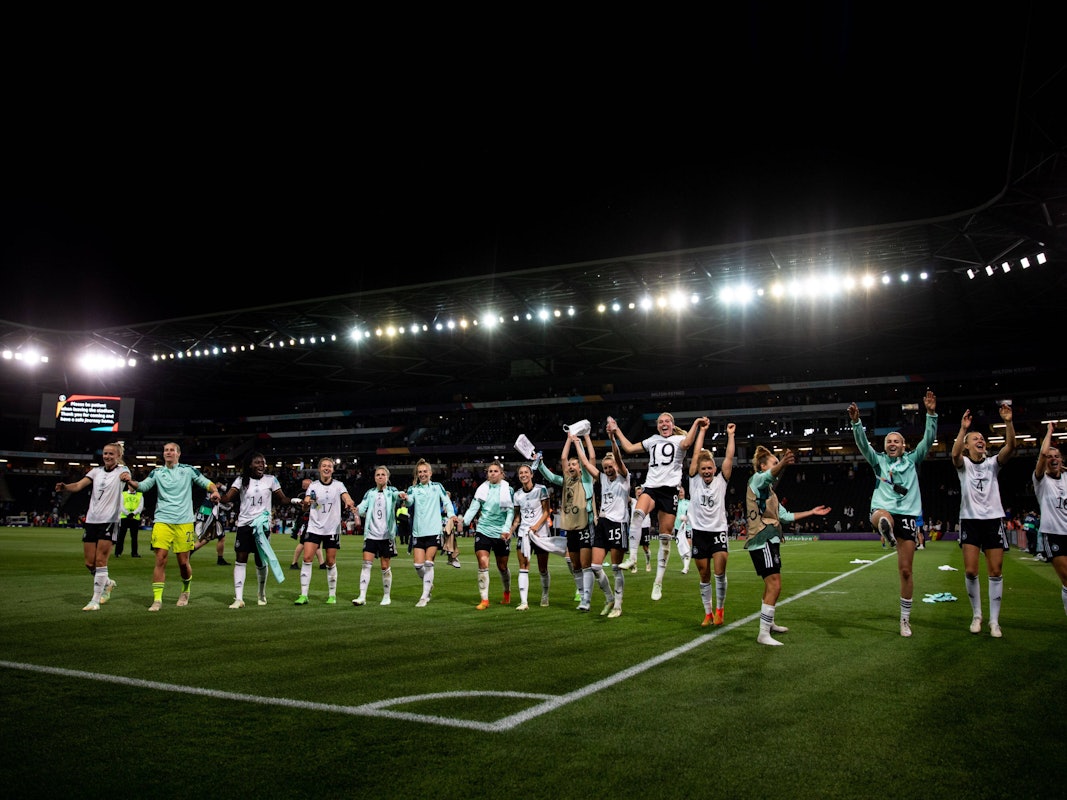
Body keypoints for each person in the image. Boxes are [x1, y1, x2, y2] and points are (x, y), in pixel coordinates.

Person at [848, 390, 938, 637]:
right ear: (885, 445)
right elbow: (863, 445)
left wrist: (931, 414)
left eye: (896, 441)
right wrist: (856, 423)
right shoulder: (878, 461)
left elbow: (928, 440)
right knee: (882, 517)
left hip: (907, 515)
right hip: (883, 509)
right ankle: (885, 528)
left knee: (906, 571)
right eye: (889, 441)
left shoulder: (913, 460)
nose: (892, 444)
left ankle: (905, 620)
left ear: (904, 445)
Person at [608, 412, 707, 600]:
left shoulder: (679, 440)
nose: (664, 424)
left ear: (672, 425)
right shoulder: (652, 440)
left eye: (667, 421)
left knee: (665, 538)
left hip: (670, 491)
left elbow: (688, 443)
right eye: (660, 421)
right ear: (657, 425)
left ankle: (658, 582)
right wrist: (616, 430)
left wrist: (695, 423)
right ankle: (633, 558)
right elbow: (628, 448)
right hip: (651, 487)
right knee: (638, 513)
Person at [744, 446, 831, 645]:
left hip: (771, 540)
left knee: (771, 585)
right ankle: (763, 634)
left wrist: (811, 512)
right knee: (775, 584)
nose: (777, 466)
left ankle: (769, 624)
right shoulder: (756, 480)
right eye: (773, 463)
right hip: (762, 539)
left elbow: (785, 516)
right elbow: (769, 476)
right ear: (763, 466)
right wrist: (783, 463)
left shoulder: (771, 494)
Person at [126, 442, 221, 611]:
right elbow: (143, 486)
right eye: (166, 450)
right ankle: (157, 600)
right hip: (162, 520)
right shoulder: (157, 472)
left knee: (183, 563)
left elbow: (206, 482)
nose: (168, 452)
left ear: (178, 454)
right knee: (160, 559)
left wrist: (214, 491)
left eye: (172, 450)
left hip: (184, 522)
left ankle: (185, 590)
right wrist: (131, 482)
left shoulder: (188, 470)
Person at [952, 403, 1016, 637]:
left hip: (992, 520)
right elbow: (954, 455)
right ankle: (977, 615)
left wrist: (1008, 422)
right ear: (967, 445)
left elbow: (1011, 447)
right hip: (970, 520)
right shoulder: (964, 465)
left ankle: (994, 621)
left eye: (982, 438)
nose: (980, 440)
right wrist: (963, 429)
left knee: (995, 571)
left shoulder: (992, 465)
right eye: (975, 438)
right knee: (971, 571)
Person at [537, 433, 610, 613]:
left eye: (574, 464)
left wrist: (580, 440)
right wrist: (540, 464)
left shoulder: (587, 479)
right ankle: (584, 595)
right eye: (569, 464)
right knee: (575, 565)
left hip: (586, 524)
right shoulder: (566, 481)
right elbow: (553, 473)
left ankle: (587, 600)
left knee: (586, 565)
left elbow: (590, 457)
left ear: (580, 467)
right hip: (570, 526)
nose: (570, 466)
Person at [54, 442, 131, 611]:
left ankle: (95, 600)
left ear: (118, 456)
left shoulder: (122, 471)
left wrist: (127, 478)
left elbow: (127, 476)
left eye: (111, 454)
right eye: (105, 453)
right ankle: (107, 583)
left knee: (101, 560)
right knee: (90, 563)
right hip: (92, 520)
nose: (107, 456)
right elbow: (78, 485)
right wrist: (65, 487)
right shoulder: (96, 471)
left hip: (109, 520)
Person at [216, 453, 295, 608]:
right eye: (257, 462)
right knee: (241, 559)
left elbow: (282, 499)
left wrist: (295, 500)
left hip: (262, 526)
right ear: (249, 465)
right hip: (244, 524)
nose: (261, 465)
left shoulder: (271, 480)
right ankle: (239, 598)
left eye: (263, 463)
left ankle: (261, 593)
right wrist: (216, 495)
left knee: (260, 560)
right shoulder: (241, 480)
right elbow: (228, 498)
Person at [575, 434, 630, 617]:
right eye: (605, 467)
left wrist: (613, 440)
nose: (608, 470)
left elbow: (619, 458)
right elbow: (585, 462)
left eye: (610, 467)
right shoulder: (602, 478)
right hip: (603, 524)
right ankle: (609, 598)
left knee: (615, 568)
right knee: (595, 566)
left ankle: (618, 606)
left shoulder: (624, 478)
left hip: (618, 524)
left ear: (617, 466)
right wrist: (577, 441)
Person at [688, 420, 736, 627]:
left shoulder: (721, 480)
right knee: (704, 574)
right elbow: (696, 453)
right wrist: (702, 431)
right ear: (699, 469)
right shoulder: (693, 480)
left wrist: (730, 435)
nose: (707, 471)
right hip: (699, 532)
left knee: (719, 572)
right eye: (703, 468)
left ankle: (720, 610)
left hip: (718, 531)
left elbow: (729, 457)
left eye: (709, 468)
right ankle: (707, 613)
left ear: (714, 469)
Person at [295, 457, 356, 605]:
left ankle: (332, 595)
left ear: (333, 470)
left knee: (330, 561)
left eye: (329, 466)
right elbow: (305, 506)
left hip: (332, 528)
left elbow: (346, 497)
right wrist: (305, 504)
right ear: (319, 469)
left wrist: (349, 502)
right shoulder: (313, 486)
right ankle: (304, 595)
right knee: (307, 558)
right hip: (314, 527)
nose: (327, 468)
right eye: (324, 466)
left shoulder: (339, 485)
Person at [404, 459, 457, 607]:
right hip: (418, 531)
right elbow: (410, 502)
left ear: (430, 473)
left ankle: (424, 596)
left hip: (433, 530)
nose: (422, 474)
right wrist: (406, 498)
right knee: (418, 565)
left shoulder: (437, 487)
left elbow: (446, 501)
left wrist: (451, 515)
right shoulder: (413, 489)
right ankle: (429, 584)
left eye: (425, 471)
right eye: (420, 472)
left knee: (428, 563)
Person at [462, 462, 515, 610]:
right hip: (483, 530)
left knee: (502, 566)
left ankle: (507, 592)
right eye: (490, 471)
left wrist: (506, 529)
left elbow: (511, 511)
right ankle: (484, 600)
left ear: (502, 474)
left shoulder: (508, 490)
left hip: (501, 532)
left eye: (495, 471)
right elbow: (474, 507)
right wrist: (464, 521)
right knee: (483, 562)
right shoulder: (482, 489)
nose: (492, 473)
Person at [352, 466, 407, 606]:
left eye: (383, 474)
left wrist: (401, 494)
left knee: (385, 566)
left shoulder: (391, 491)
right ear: (375, 478)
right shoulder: (370, 493)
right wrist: (356, 509)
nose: (380, 477)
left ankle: (386, 596)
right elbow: (362, 507)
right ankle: (362, 596)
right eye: (378, 475)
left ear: (387, 477)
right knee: (366, 565)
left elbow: (397, 494)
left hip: (386, 535)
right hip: (371, 534)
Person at [510, 463, 560, 610]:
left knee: (542, 568)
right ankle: (524, 602)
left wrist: (536, 526)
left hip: (540, 534)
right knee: (523, 565)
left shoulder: (541, 490)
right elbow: (517, 518)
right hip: (524, 533)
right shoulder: (517, 495)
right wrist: (510, 530)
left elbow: (546, 511)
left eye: (526, 472)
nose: (523, 475)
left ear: (531, 474)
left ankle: (545, 594)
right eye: (521, 473)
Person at [1033, 422, 1067, 615]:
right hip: (1053, 534)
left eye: (1057, 456)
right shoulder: (1041, 480)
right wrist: (1049, 432)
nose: (1053, 459)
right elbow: (1043, 454)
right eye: (1050, 457)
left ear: (1062, 460)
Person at [289, 478, 324, 569]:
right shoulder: (303, 495)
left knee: (316, 542)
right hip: (308, 521)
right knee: (303, 542)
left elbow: (316, 507)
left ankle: (322, 563)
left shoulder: (304, 494)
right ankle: (294, 563)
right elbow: (307, 507)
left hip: (311, 521)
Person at [116, 480, 143, 558]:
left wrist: (133, 513)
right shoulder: (123, 494)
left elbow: (140, 507)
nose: (132, 487)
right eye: (131, 485)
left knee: (134, 537)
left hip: (134, 517)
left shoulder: (140, 495)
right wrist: (128, 513)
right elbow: (121, 505)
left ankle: (134, 553)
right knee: (121, 536)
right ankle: (118, 552)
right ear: (128, 486)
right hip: (125, 517)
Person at [673, 485, 692, 574]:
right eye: (679, 491)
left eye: (682, 491)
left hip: (687, 527)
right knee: (681, 548)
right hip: (678, 528)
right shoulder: (674, 503)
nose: (680, 492)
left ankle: (685, 567)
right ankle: (685, 565)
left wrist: (686, 518)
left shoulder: (688, 503)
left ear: (684, 492)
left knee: (687, 546)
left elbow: (693, 514)